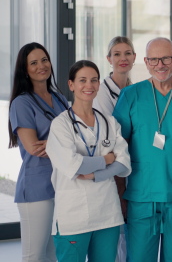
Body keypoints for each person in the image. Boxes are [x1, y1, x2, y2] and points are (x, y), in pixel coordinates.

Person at [112, 37, 172, 261]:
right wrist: (120, 195)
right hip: (141, 197)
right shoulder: (131, 95)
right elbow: (118, 149)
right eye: (153, 59)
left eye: (165, 58)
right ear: (145, 61)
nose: (160, 65)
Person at [46, 60, 131, 262]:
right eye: (82, 80)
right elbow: (73, 165)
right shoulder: (61, 125)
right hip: (73, 216)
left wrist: (94, 174)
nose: (89, 85)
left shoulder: (109, 122)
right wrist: (106, 159)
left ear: (99, 85)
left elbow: (123, 163)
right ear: (71, 85)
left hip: (107, 214)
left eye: (94, 80)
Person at [8, 42, 69, 262]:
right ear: (25, 69)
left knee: (53, 254)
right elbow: (34, 148)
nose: (41, 66)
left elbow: (76, 134)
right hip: (36, 188)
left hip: (61, 184)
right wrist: (65, 144)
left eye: (44, 60)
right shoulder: (21, 103)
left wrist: (55, 143)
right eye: (33, 63)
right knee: (34, 256)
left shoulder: (59, 98)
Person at [93, 36, 136, 262]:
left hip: (131, 164)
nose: (123, 58)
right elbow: (110, 133)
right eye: (117, 54)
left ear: (135, 58)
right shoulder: (100, 92)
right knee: (115, 227)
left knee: (128, 230)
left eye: (127, 53)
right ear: (108, 59)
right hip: (111, 165)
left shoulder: (136, 89)